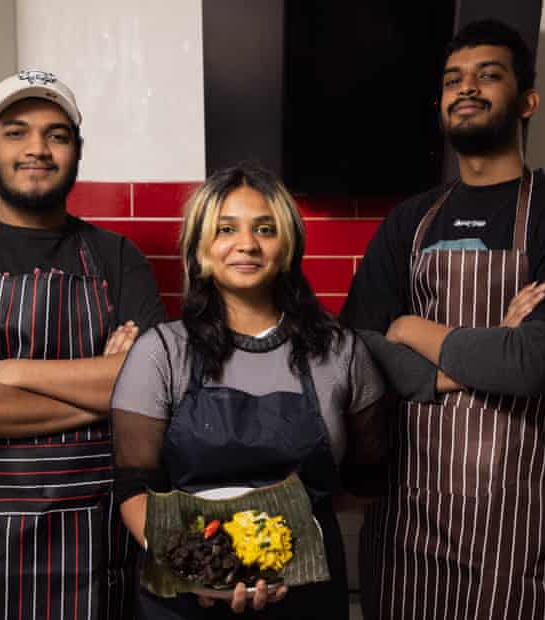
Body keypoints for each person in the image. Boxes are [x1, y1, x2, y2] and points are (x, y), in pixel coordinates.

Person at [340, 19, 545, 620]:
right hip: (408, 508)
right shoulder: (409, 221)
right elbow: (354, 353)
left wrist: (410, 328)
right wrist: (489, 351)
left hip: (515, 514)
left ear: (527, 101)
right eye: (452, 80)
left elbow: (531, 365)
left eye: (489, 75)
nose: (466, 89)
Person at [0, 70, 166, 619]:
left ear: (77, 152)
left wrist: (5, 371)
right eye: (17, 132)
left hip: (97, 541)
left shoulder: (117, 256)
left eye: (57, 135)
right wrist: (103, 388)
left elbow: (157, 389)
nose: (37, 149)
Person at [109, 162, 387, 619]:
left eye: (264, 228)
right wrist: (204, 569)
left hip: (308, 598)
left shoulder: (341, 352)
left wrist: (288, 553)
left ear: (288, 244)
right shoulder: (161, 352)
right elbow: (135, 489)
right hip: (184, 593)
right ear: (201, 248)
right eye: (225, 229)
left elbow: (366, 478)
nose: (246, 244)